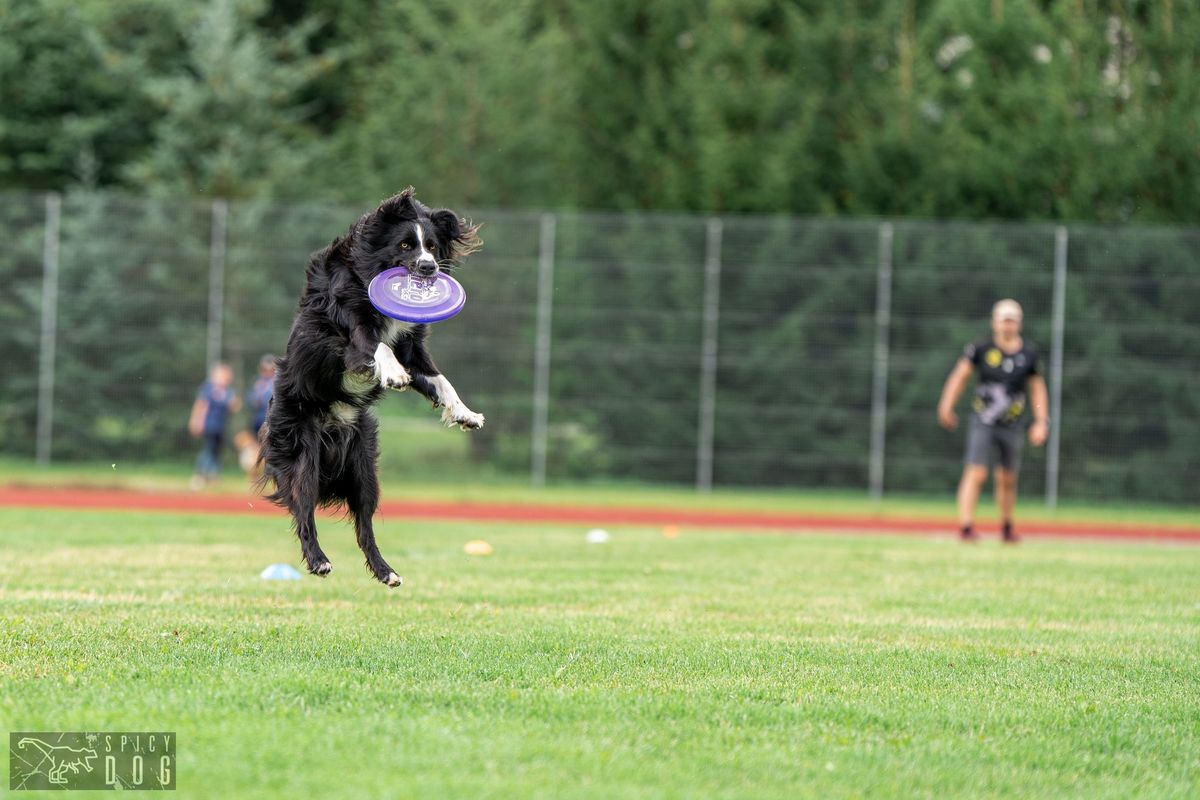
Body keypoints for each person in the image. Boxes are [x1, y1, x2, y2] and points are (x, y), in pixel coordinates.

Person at [937, 299, 1049, 543]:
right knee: (976, 472)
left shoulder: (1028, 354)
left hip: (1013, 423)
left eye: (1012, 320)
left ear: (1019, 323)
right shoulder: (981, 349)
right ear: (994, 322)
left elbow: (1037, 389)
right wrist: (947, 404)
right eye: (1003, 319)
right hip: (984, 420)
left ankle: (1007, 527)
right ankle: (966, 526)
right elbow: (960, 377)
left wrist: (1041, 420)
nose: (1007, 325)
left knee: (1007, 477)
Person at [188, 362, 242, 489]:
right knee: (209, 450)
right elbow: (201, 406)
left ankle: (213, 477)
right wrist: (196, 421)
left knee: (216, 451)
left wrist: (235, 401)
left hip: (220, 426)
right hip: (209, 425)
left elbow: (233, 407)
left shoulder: (228, 391)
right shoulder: (208, 389)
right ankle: (200, 475)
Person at [246, 354, 276, 439]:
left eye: (270, 370)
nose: (267, 373)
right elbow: (249, 401)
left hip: (271, 420)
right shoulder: (257, 382)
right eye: (264, 370)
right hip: (257, 420)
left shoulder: (277, 383)